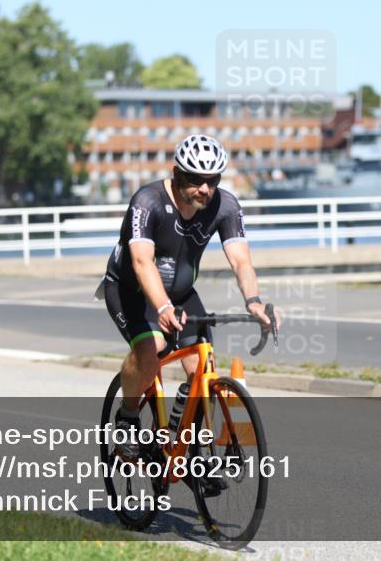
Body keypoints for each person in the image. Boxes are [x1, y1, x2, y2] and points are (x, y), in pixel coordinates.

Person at [101, 135, 280, 460]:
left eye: (213, 180)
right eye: (195, 179)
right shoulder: (148, 201)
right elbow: (141, 262)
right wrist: (162, 307)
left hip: (181, 293)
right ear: (176, 173)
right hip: (130, 289)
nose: (205, 189)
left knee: (201, 365)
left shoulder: (225, 206)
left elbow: (241, 261)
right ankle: (127, 417)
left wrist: (253, 300)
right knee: (151, 348)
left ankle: (188, 445)